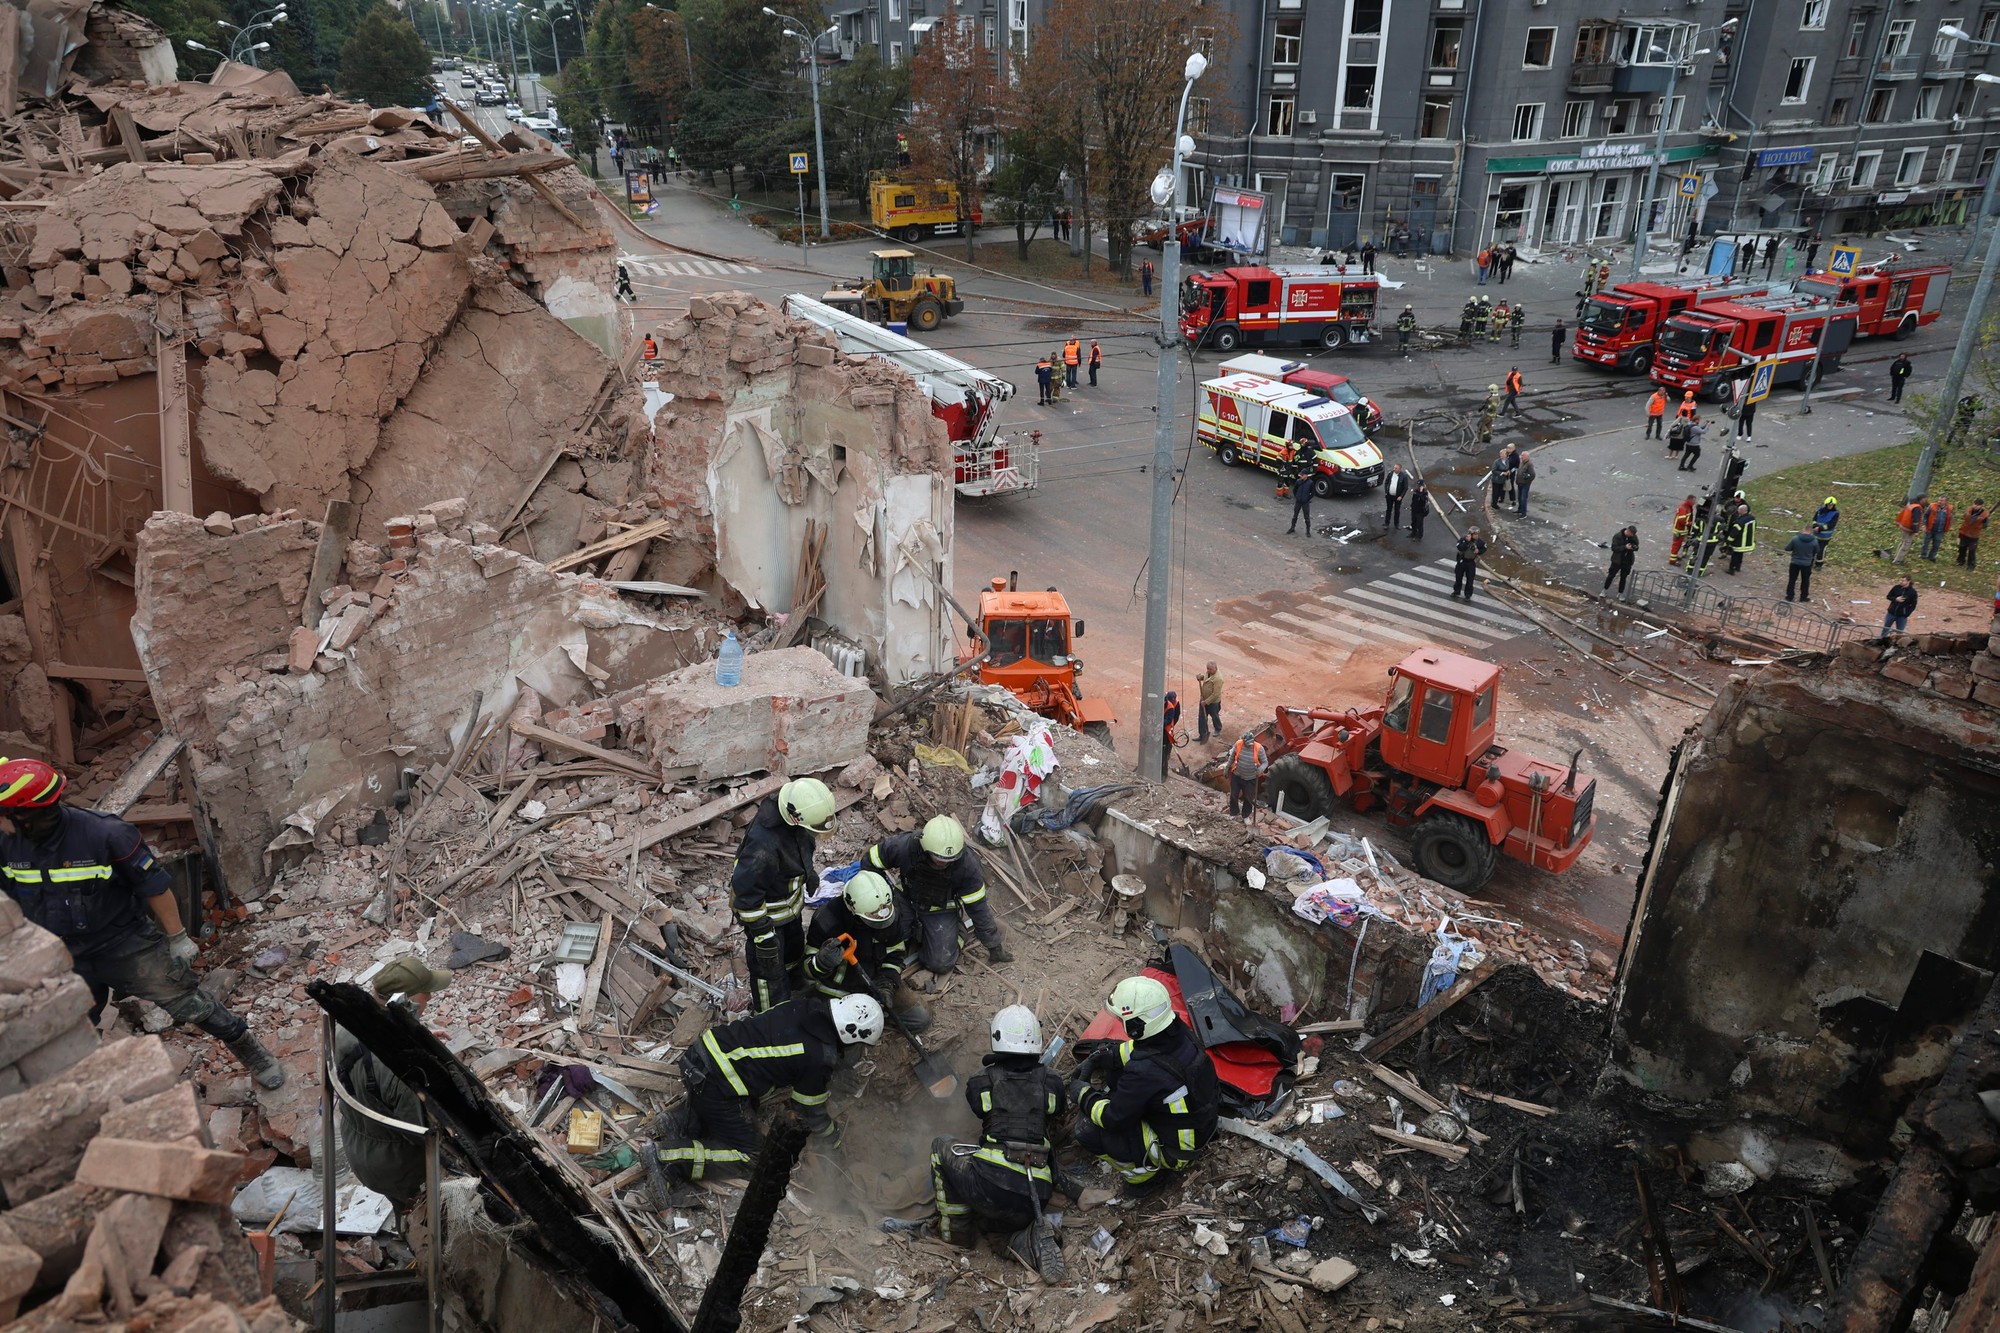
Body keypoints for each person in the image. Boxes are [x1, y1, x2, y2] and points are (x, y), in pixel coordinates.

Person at [0, 759, 285, 1088]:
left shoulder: (104, 833)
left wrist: (177, 937)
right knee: (72, 1024)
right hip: (63, 956)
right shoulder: (6, 844)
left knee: (186, 1001)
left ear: (27, 815)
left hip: (124, 945)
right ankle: (84, 1091)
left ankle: (251, 1051)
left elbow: (154, 887)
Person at [652, 993, 883, 1181]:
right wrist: (832, 1139)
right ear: (850, 1033)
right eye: (860, 1046)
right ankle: (668, 1161)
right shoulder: (818, 1058)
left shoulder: (805, 1005)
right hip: (717, 1082)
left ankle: (678, 1121)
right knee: (755, 1157)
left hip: (701, 1055)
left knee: (746, 1104)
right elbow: (809, 1111)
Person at [929, 1006, 1069, 1274]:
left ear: (997, 1036)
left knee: (942, 1146)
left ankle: (956, 1235)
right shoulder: (1051, 1082)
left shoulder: (982, 1081)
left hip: (990, 1185)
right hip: (1035, 1192)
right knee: (998, 1232)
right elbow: (1056, 1109)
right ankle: (1026, 1242)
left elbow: (980, 1108)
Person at [1070, 977, 1220, 1192]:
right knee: (1117, 1075)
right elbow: (1145, 1050)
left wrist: (1083, 1093)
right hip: (1201, 1122)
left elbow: (1112, 1119)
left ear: (1136, 1025)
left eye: (1123, 1020)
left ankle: (1143, 1179)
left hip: (1178, 1151)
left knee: (1089, 1131)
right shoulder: (1178, 1030)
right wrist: (1105, 1057)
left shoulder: (1145, 1072)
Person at [335, 956, 455, 1209]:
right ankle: (418, 1232)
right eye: (426, 994)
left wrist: (412, 1034)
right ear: (405, 1001)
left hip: (357, 1142)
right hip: (395, 1166)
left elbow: (369, 1053)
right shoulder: (402, 1070)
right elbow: (422, 1135)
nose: (430, 999)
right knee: (423, 1210)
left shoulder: (346, 1024)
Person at [865, 815, 1010, 980]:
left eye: (949, 860)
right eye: (938, 859)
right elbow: (870, 863)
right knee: (884, 940)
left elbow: (978, 908)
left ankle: (958, 932)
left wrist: (993, 944)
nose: (943, 864)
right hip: (906, 899)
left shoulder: (966, 865)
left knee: (939, 963)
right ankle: (910, 930)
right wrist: (880, 895)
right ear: (925, 848)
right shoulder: (905, 846)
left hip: (940, 909)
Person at [733, 778, 835, 1012]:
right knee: (768, 973)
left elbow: (800, 850)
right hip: (768, 921)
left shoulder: (797, 819)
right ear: (794, 817)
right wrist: (762, 936)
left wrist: (809, 875)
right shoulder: (763, 846)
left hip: (789, 914)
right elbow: (746, 897)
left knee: (792, 955)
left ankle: (793, 990)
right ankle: (769, 1017)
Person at [804, 870, 929, 1033]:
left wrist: (887, 985)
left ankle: (877, 1016)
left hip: (877, 983)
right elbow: (807, 970)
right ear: (853, 910)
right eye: (872, 922)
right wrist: (821, 963)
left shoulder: (888, 914)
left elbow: (896, 954)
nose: (880, 926)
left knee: (920, 1019)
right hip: (838, 991)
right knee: (840, 1039)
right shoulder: (826, 920)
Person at [1223, 730, 1269, 819]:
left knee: (1248, 798)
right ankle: (1234, 813)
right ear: (1243, 741)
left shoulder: (1259, 748)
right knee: (1233, 795)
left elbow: (1265, 762)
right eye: (1247, 743)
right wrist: (1227, 768)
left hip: (1250, 778)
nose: (1249, 745)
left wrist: (1260, 769)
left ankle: (1245, 816)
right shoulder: (1238, 744)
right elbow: (1232, 757)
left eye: (1251, 743)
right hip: (1237, 775)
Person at [1285, 442, 1319, 534]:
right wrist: (1297, 497)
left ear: (1306, 476)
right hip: (1298, 501)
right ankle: (1292, 528)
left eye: (1302, 475)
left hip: (1305, 502)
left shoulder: (1310, 483)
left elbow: (1312, 493)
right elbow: (1295, 490)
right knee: (1295, 515)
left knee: (1306, 517)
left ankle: (1308, 531)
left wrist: (1307, 499)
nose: (1300, 476)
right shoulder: (1298, 481)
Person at [1784, 526, 1821, 602]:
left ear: (1803, 530)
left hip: (1795, 562)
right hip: (1807, 564)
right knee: (1805, 581)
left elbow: (1787, 548)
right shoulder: (1814, 541)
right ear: (1811, 532)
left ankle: (1790, 596)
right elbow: (1817, 550)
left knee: (1792, 580)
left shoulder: (1795, 539)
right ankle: (1803, 597)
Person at [1452, 526, 1486, 599]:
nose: (1476, 536)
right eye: (1475, 534)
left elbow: (1484, 548)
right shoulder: (1463, 539)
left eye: (1477, 534)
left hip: (1471, 562)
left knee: (1470, 580)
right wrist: (1467, 542)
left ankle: (1468, 594)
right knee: (1458, 578)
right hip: (1462, 561)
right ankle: (1456, 591)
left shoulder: (1480, 542)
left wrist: (1479, 551)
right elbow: (1459, 547)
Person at [1893, 495, 1928, 564]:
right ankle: (1898, 560)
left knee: (1903, 542)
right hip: (1908, 529)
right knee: (1906, 544)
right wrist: (1916, 531)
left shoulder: (1912, 504)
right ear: (1922, 499)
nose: (1926, 500)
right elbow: (1915, 521)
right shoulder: (1917, 508)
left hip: (1904, 526)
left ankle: (1897, 557)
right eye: (1925, 499)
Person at [1604, 525, 1638, 594]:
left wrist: (1634, 547)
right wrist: (1625, 547)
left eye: (1632, 535)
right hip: (1617, 560)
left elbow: (1636, 546)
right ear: (1627, 531)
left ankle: (1620, 592)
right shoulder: (1618, 536)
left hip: (1627, 560)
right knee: (1611, 575)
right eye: (1630, 534)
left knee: (1623, 577)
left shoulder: (1634, 537)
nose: (1631, 536)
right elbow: (1614, 548)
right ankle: (1605, 589)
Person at [1725, 500, 1755, 574]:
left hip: (1739, 542)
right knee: (1740, 555)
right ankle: (1738, 567)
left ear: (1742, 511)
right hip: (1747, 542)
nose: (1737, 512)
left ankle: (1731, 570)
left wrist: (1728, 542)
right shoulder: (1752, 518)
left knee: (1734, 556)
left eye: (1738, 510)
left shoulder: (1740, 521)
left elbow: (1734, 533)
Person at [1195, 662, 1223, 742]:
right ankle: (1202, 734)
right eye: (1207, 669)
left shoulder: (1218, 679)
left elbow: (1215, 694)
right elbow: (1206, 677)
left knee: (1214, 716)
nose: (1208, 670)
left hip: (1213, 702)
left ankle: (1218, 728)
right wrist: (1200, 677)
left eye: (1210, 669)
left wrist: (1206, 702)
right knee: (1201, 717)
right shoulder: (1208, 672)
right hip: (1204, 699)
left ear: (1215, 668)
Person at [1922, 496, 1955, 561]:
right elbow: (1925, 515)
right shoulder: (1932, 506)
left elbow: (1951, 519)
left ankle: (1931, 557)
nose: (1939, 502)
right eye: (1939, 500)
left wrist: (1948, 527)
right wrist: (1924, 525)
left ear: (1946, 502)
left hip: (1940, 530)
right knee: (1925, 543)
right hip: (1930, 528)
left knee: (1936, 545)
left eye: (1942, 500)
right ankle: (1923, 555)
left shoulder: (1949, 509)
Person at [1958, 499, 1988, 567]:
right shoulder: (1969, 510)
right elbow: (1965, 517)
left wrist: (1977, 526)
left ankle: (1971, 565)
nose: (1975, 506)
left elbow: (1985, 525)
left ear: (1981, 506)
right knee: (1962, 548)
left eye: (1978, 505)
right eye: (1975, 504)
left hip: (1974, 535)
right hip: (1964, 532)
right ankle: (1960, 561)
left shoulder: (1985, 514)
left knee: (1972, 550)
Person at [1812, 496, 1840, 567]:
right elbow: (1814, 519)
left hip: (1825, 537)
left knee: (1820, 551)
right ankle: (1809, 562)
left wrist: (1820, 528)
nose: (1830, 506)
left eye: (1831, 505)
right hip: (1815, 535)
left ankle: (1819, 565)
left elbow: (1831, 525)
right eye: (1829, 505)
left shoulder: (1835, 513)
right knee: (1811, 549)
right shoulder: (1820, 510)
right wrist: (1815, 525)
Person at [1382, 463, 1410, 529]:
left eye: (1396, 468)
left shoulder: (1403, 476)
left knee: (1397, 510)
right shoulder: (1390, 474)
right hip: (1389, 496)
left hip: (1397, 497)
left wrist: (1401, 496)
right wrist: (1386, 491)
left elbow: (1405, 487)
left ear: (1400, 469)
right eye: (1394, 467)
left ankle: (1396, 524)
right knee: (1388, 509)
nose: (1394, 469)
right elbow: (1386, 482)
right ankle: (1387, 523)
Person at [1670, 495, 1696, 561]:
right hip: (1679, 531)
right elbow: (1681, 520)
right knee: (1676, 545)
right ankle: (1672, 560)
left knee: (1678, 545)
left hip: (1681, 530)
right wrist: (1688, 523)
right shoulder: (1684, 508)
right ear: (1690, 500)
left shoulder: (1687, 507)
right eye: (1694, 500)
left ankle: (1674, 556)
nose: (1695, 502)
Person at [1513, 449, 1536, 517]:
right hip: (1520, 483)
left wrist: (1527, 480)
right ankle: (1520, 509)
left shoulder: (1529, 464)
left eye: (1523, 456)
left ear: (1527, 457)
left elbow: (1532, 475)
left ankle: (1524, 513)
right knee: (1520, 497)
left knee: (1523, 498)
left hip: (1525, 484)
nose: (1521, 457)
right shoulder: (1522, 462)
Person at [1162, 691, 1182, 756]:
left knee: (1168, 738)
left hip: (1167, 723)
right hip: (1163, 720)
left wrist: (1172, 724)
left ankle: (1167, 754)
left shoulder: (1175, 705)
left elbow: (1175, 716)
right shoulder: (1163, 701)